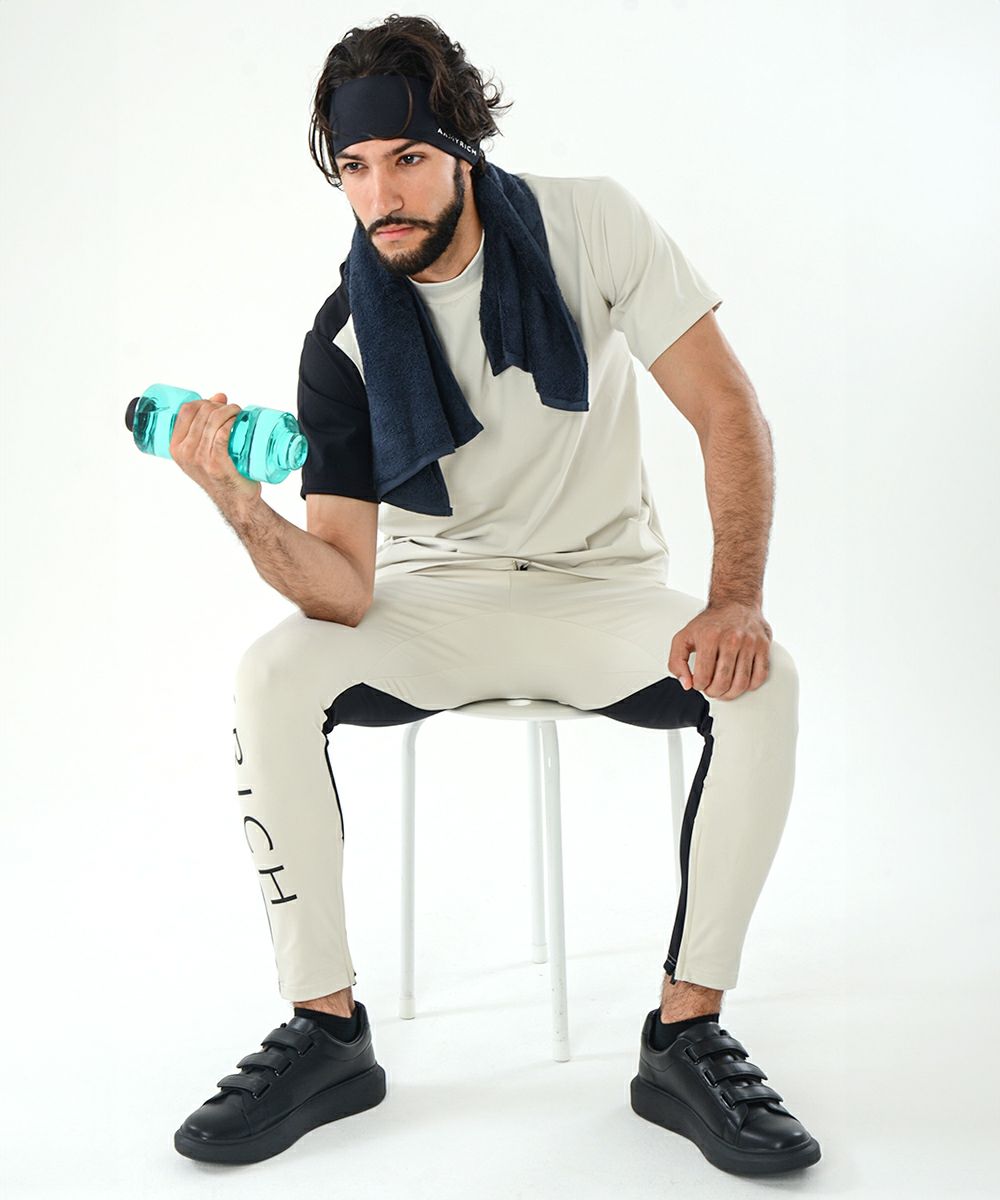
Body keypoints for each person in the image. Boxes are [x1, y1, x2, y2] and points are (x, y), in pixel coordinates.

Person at [169, 13, 821, 1177]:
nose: (381, 197)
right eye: (354, 167)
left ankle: (686, 1036)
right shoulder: (342, 339)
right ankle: (326, 1031)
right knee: (270, 670)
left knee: (762, 684)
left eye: (408, 157)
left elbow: (727, 409)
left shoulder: (593, 226)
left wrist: (734, 598)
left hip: (598, 588)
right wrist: (238, 504)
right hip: (433, 605)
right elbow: (343, 589)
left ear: (462, 148)